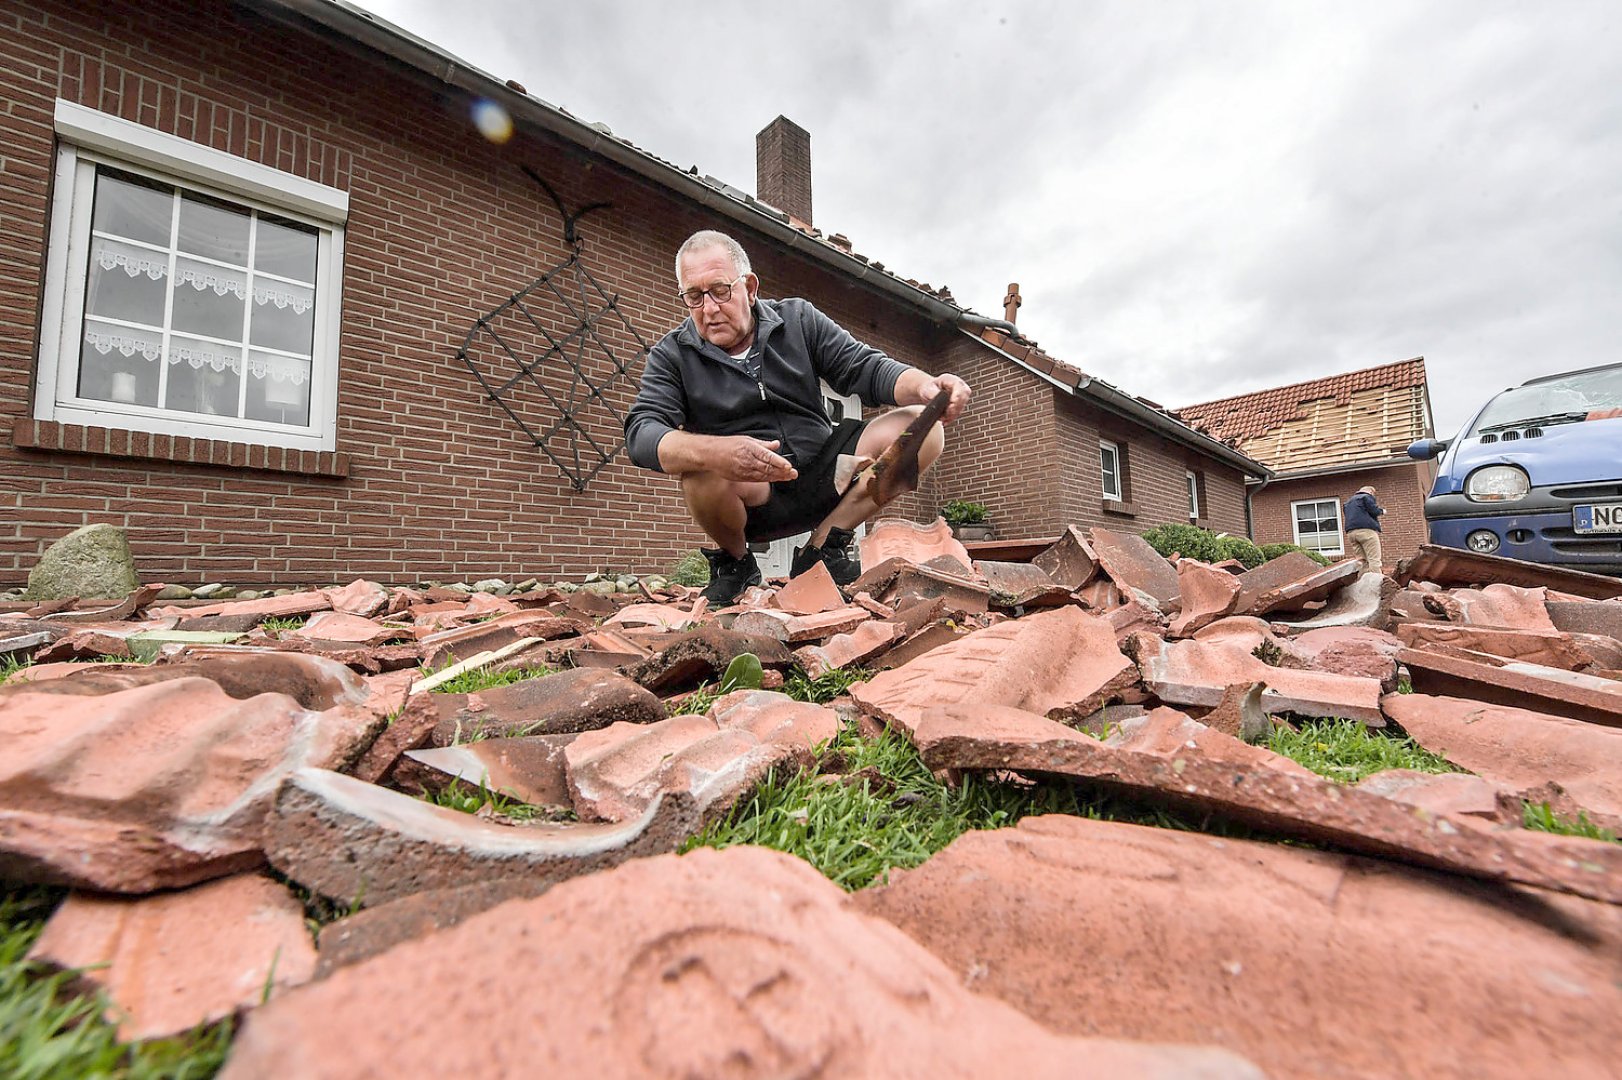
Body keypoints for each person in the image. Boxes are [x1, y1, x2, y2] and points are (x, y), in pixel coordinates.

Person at [625, 229, 971, 604]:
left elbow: (864, 367)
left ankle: (821, 548)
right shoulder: (671, 355)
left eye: (721, 290)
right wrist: (718, 452)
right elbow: (642, 432)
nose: (709, 309)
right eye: (694, 297)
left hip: (828, 475)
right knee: (699, 469)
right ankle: (737, 565)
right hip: (752, 498)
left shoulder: (797, 319)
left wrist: (925, 386)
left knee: (923, 428)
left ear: (750, 287)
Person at [1343, 484, 1385, 573]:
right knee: (1374, 560)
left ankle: (1363, 584)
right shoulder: (1366, 497)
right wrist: (1382, 511)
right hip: (1366, 532)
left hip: (1351, 533)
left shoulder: (1348, 502)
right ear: (1371, 492)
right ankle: (1377, 583)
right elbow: (1374, 510)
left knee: (1362, 562)